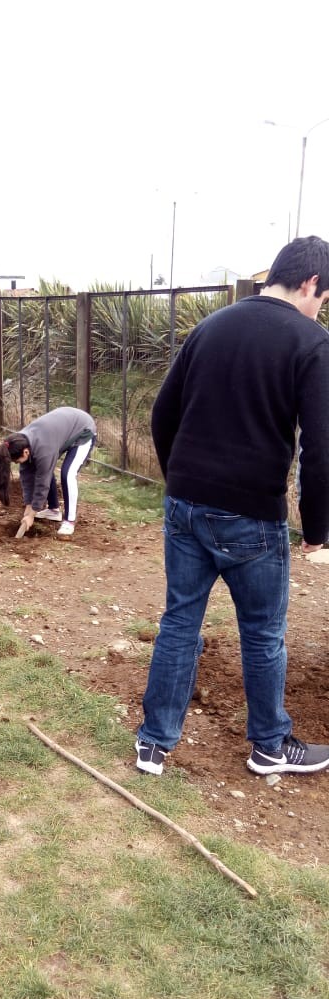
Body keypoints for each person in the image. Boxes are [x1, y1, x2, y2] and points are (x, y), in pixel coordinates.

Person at [136, 235, 329, 778]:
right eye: (325, 296)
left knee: (179, 621)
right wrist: (316, 530)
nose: (321, 307)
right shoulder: (312, 342)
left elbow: (161, 413)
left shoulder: (210, 327)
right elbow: (319, 451)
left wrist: (179, 479)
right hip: (251, 517)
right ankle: (269, 744)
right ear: (311, 282)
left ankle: (154, 744)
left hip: (185, 506)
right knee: (264, 633)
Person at [0, 406, 96, 537]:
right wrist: (28, 506)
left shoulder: (43, 450)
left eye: (17, 461)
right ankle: (53, 510)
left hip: (83, 430)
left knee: (67, 474)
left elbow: (43, 483)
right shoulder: (21, 441)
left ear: (26, 452)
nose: (17, 464)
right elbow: (27, 478)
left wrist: (32, 514)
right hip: (59, 430)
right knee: (41, 468)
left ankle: (70, 520)